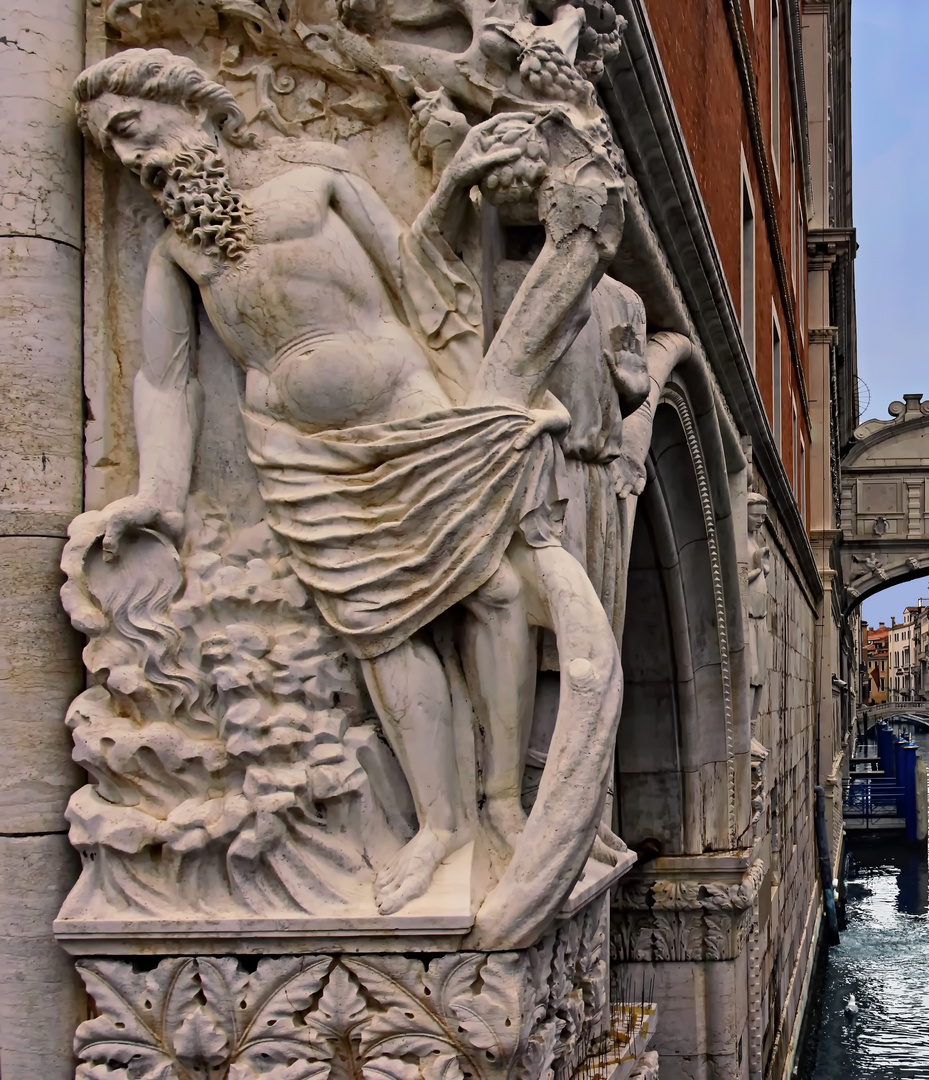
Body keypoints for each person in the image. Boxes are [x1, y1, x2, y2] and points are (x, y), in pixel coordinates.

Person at [73, 48, 620, 916]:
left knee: (497, 595)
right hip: (300, 458)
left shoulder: (317, 179)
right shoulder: (177, 255)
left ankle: (504, 805)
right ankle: (437, 824)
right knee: (380, 632)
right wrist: (161, 496)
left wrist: (454, 182)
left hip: (406, 411)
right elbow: (165, 380)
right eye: (115, 152)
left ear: (190, 107)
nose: (135, 160)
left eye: (134, 131)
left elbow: (413, 267)